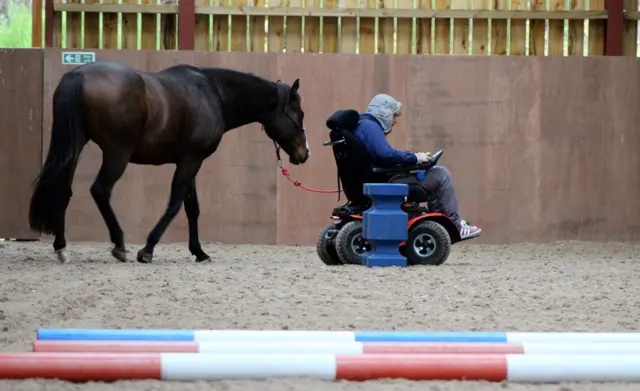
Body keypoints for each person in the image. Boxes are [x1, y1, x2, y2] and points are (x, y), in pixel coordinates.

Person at [353, 93, 481, 240]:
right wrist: (415, 158)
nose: (395, 121)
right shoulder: (371, 127)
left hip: (376, 179)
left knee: (432, 173)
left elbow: (383, 157)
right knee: (440, 175)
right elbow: (386, 155)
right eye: (394, 116)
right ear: (384, 112)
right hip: (388, 182)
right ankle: (454, 224)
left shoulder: (361, 126)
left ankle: (440, 225)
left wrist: (413, 159)